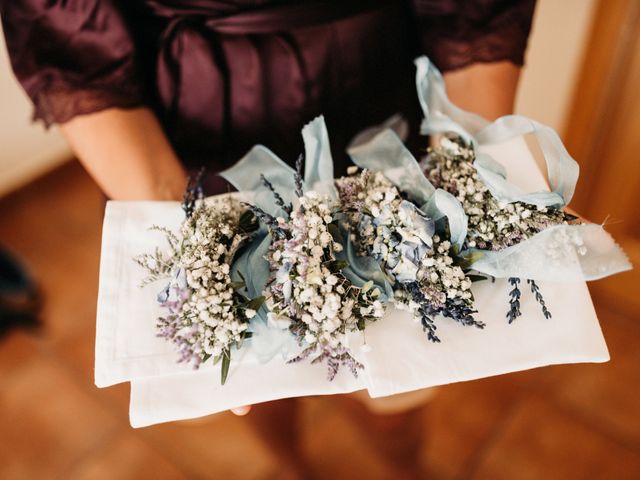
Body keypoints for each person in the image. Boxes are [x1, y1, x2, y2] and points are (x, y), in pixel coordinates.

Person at [1, 0, 536, 477]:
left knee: (403, 366)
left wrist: (464, 171)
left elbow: (475, 14)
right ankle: (292, 465)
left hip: (373, 106)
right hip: (189, 139)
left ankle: (405, 468)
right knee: (256, 370)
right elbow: (66, 31)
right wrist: (193, 242)